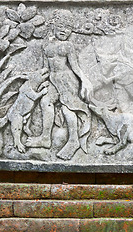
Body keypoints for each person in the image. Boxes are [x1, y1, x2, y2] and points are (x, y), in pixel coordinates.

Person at [25, 9, 93, 161]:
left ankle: (74, 140)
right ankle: (45, 138)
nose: (64, 30)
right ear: (53, 25)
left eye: (68, 27)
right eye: (61, 26)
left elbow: (75, 66)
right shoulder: (46, 46)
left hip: (67, 81)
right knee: (45, 101)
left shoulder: (68, 46)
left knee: (68, 108)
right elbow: (44, 67)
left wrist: (84, 80)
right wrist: (38, 80)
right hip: (53, 80)